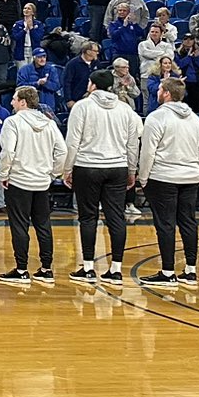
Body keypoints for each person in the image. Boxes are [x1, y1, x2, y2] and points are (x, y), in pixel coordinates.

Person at [64, 69, 142, 284]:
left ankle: (88, 268)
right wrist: (131, 169)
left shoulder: (82, 106)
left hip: (87, 166)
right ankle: (116, 269)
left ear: (92, 85)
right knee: (116, 217)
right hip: (117, 167)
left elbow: (73, 141)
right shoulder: (125, 109)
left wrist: (67, 169)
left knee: (88, 217)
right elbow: (133, 143)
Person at [139, 76, 199, 285]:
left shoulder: (156, 117)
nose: (158, 92)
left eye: (160, 89)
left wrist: (143, 177)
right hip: (190, 177)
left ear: (167, 93)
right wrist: (194, 170)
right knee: (188, 222)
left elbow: (148, 151)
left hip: (163, 177)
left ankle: (168, 271)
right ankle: (191, 270)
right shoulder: (195, 119)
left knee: (165, 224)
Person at [0, 84, 67, 284]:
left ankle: (21, 270)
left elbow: (8, 152)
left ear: (23, 102)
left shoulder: (13, 122)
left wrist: (4, 174)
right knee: (43, 225)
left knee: (19, 226)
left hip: (19, 181)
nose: (11, 102)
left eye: (14, 99)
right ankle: (46, 269)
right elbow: (62, 151)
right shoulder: (49, 123)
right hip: (42, 182)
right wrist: (53, 173)